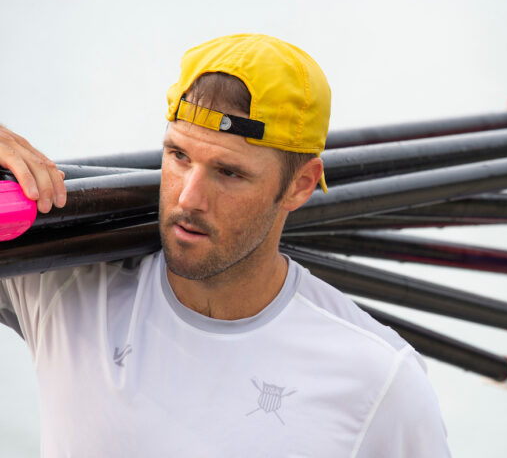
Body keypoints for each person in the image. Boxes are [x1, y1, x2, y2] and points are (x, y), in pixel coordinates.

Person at [0, 34, 450, 457]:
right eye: (179, 156)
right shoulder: (62, 282)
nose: (188, 198)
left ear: (301, 185)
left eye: (229, 173)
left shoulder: (380, 383)